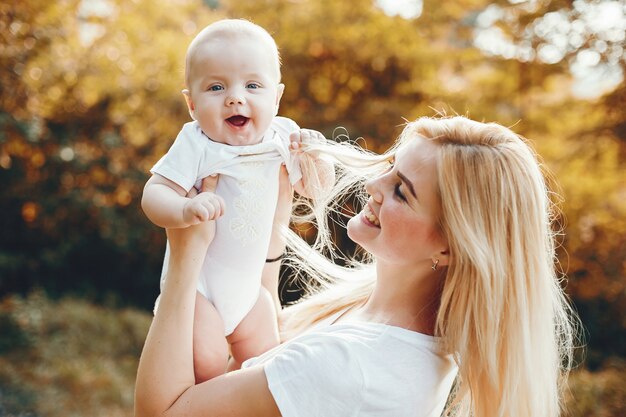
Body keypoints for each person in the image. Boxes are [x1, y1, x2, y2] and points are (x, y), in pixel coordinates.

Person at [135, 115, 578, 417]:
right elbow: (257, 355)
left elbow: (163, 412)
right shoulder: (375, 321)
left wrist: (184, 255)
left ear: (452, 246)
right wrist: (273, 216)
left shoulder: (353, 364)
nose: (373, 184)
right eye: (390, 168)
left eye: (402, 192)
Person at [141, 19, 333, 383]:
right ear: (192, 104)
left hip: (249, 291)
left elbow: (315, 189)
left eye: (252, 85)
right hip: (197, 290)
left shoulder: (284, 136)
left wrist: (316, 160)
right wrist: (184, 209)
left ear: (276, 97)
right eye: (216, 87)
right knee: (209, 366)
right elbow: (154, 193)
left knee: (265, 368)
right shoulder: (196, 143)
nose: (235, 97)